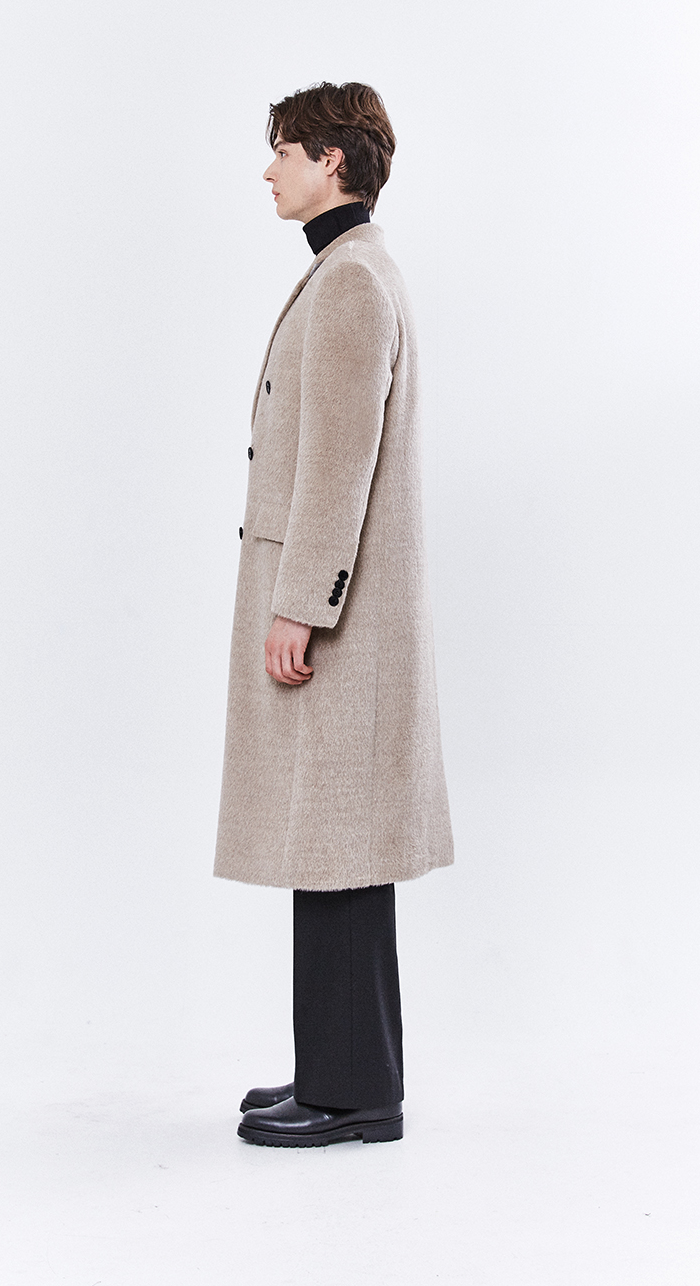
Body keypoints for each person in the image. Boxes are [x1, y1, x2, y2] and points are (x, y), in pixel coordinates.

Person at [214, 81, 453, 1147]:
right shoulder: (346, 269)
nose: (269, 169)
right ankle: (342, 1074)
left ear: (333, 162)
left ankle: (353, 1097)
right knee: (331, 847)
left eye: (285, 150)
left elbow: (337, 466)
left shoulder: (352, 281)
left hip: (338, 620)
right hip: (343, 613)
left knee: (340, 849)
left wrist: (299, 607)